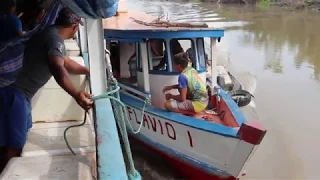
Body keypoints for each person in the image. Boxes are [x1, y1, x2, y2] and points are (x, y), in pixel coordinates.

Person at [0, 7, 93, 172]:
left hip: (18, 94)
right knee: (14, 147)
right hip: (16, 95)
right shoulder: (54, 40)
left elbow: (64, 61)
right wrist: (77, 94)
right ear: (75, 27)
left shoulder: (50, 33)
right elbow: (58, 67)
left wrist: (89, 71)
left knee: (15, 139)